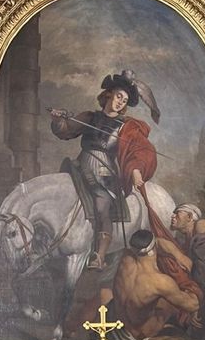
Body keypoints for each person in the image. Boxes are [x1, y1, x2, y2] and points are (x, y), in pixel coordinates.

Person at [50, 72, 158, 270]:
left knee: (102, 205)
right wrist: (58, 120)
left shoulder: (126, 127)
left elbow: (141, 150)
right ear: (109, 94)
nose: (120, 102)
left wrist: (136, 171)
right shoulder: (89, 117)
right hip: (81, 165)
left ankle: (99, 256)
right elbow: (65, 131)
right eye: (118, 96)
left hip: (105, 172)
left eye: (124, 100)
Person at [102, 230, 202, 340]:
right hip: (138, 335)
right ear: (153, 249)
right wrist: (189, 286)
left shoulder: (125, 259)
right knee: (170, 306)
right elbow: (193, 305)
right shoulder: (160, 281)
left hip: (117, 325)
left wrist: (178, 255)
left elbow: (155, 244)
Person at [157, 203, 205, 340]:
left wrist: (196, 304)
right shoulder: (188, 239)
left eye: (177, 213)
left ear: (190, 217)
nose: (172, 216)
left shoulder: (202, 226)